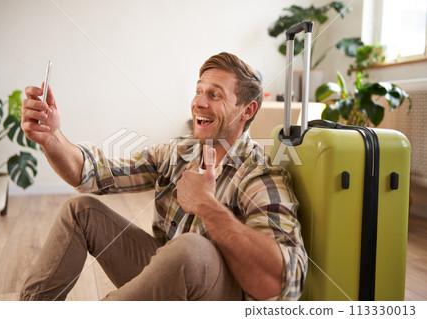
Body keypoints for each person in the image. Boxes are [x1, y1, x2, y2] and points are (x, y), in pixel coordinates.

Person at [19, 52, 307, 301]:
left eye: (215, 94)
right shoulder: (178, 153)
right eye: (198, 91)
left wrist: (207, 205)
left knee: (191, 250)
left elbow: (282, 283)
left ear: (248, 110)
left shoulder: (260, 176)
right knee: (80, 211)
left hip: (218, 300)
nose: (199, 103)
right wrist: (51, 137)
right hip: (171, 285)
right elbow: (93, 173)